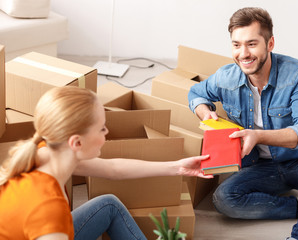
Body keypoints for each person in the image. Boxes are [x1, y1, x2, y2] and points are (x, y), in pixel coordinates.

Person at [188, 7, 298, 240]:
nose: (243, 54)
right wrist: (205, 113)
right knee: (223, 199)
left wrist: (258, 136)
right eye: (236, 44)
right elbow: (196, 94)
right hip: (259, 168)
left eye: (252, 44)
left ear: (270, 43)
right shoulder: (226, 77)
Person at [0, 86, 212, 240]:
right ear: (77, 142)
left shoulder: (48, 152)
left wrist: (178, 167)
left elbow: (113, 168)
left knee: (109, 204)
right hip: (48, 229)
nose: (107, 132)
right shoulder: (47, 210)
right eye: (101, 128)